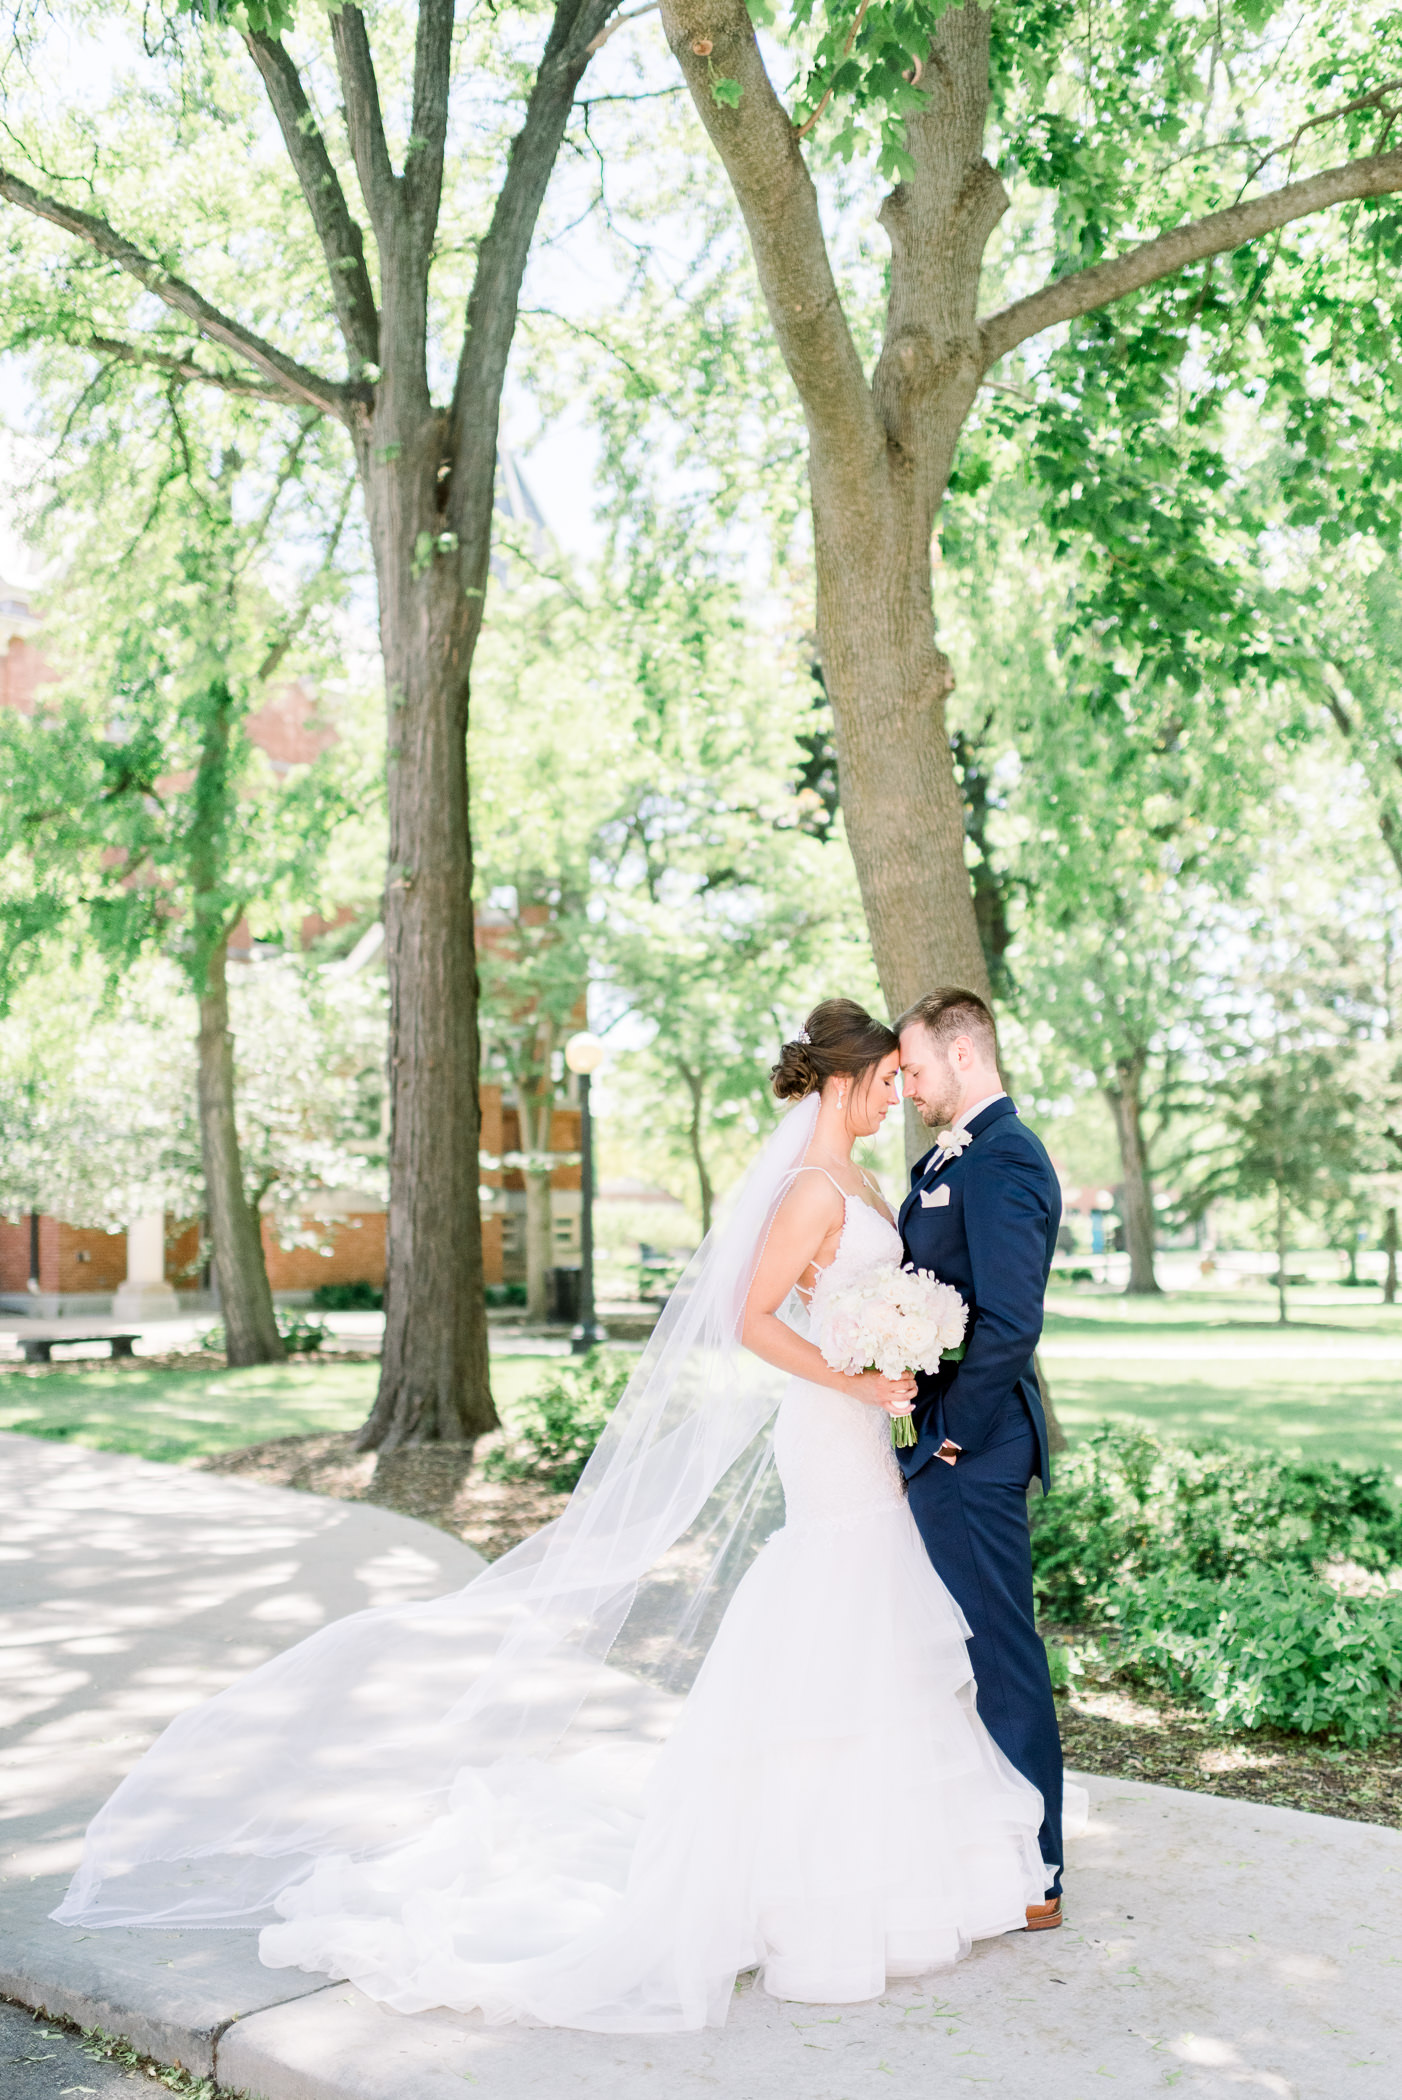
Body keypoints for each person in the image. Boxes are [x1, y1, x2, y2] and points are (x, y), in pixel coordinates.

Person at [53, 998, 1052, 2031]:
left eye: (905, 1077)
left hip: (862, 1431)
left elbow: (853, 1306)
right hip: (828, 1429)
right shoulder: (807, 1185)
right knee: (832, 1612)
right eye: (886, 1077)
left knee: (876, 1626)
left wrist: (893, 1353)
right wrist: (853, 1383)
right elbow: (745, 1319)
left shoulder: (871, 1180)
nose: (899, 1091)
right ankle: (800, 1889)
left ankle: (886, 1874)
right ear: (845, 1080)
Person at [896, 988, 1067, 1927]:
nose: (909, 1086)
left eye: (916, 1067)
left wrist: (950, 1430)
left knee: (999, 1650)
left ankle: (1037, 1868)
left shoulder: (1004, 1157)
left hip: (976, 1447)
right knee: (961, 1648)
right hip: (944, 1442)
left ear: (964, 1056)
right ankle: (981, 1843)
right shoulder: (943, 1156)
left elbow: (1011, 1319)